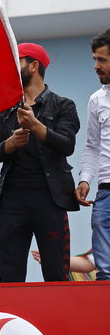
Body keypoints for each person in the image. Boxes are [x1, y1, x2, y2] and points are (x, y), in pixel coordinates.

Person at [0, 43, 79, 282]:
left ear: (34, 66)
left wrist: (36, 126)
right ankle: (13, 320)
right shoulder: (6, 110)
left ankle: (58, 320)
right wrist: (10, 144)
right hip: (11, 201)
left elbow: (67, 145)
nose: (9, 69)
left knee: (56, 273)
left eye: (15, 62)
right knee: (10, 275)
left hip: (50, 200)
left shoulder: (63, 105)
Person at [76, 28, 110, 280]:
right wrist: (85, 178)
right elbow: (92, 146)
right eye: (94, 60)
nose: (96, 66)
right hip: (105, 191)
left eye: (102, 60)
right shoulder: (96, 100)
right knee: (105, 271)